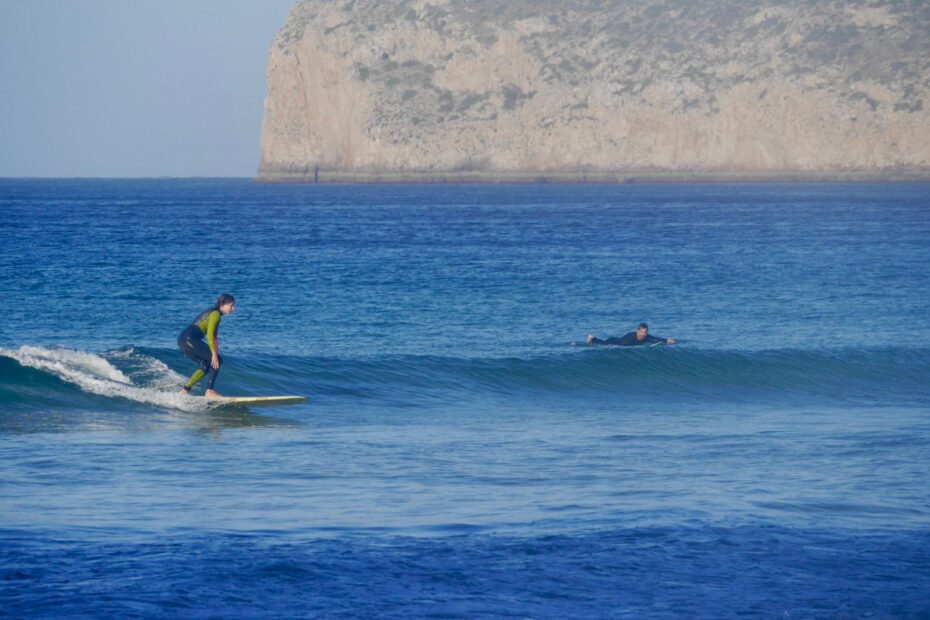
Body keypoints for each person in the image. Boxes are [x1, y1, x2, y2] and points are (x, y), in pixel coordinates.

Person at [178, 294, 236, 396]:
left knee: (206, 365)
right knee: (217, 360)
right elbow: (209, 334)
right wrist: (214, 354)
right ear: (223, 304)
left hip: (182, 340)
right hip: (189, 339)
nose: (233, 308)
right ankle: (209, 391)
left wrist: (215, 352)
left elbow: (214, 337)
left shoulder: (215, 314)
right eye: (231, 305)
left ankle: (185, 390)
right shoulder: (215, 314)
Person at [586, 322, 676, 346]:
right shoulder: (630, 337)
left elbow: (655, 339)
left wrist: (667, 340)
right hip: (615, 341)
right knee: (604, 344)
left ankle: (592, 339)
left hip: (619, 340)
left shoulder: (646, 337)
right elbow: (622, 345)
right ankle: (592, 339)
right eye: (642, 332)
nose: (643, 334)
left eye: (645, 332)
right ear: (637, 331)